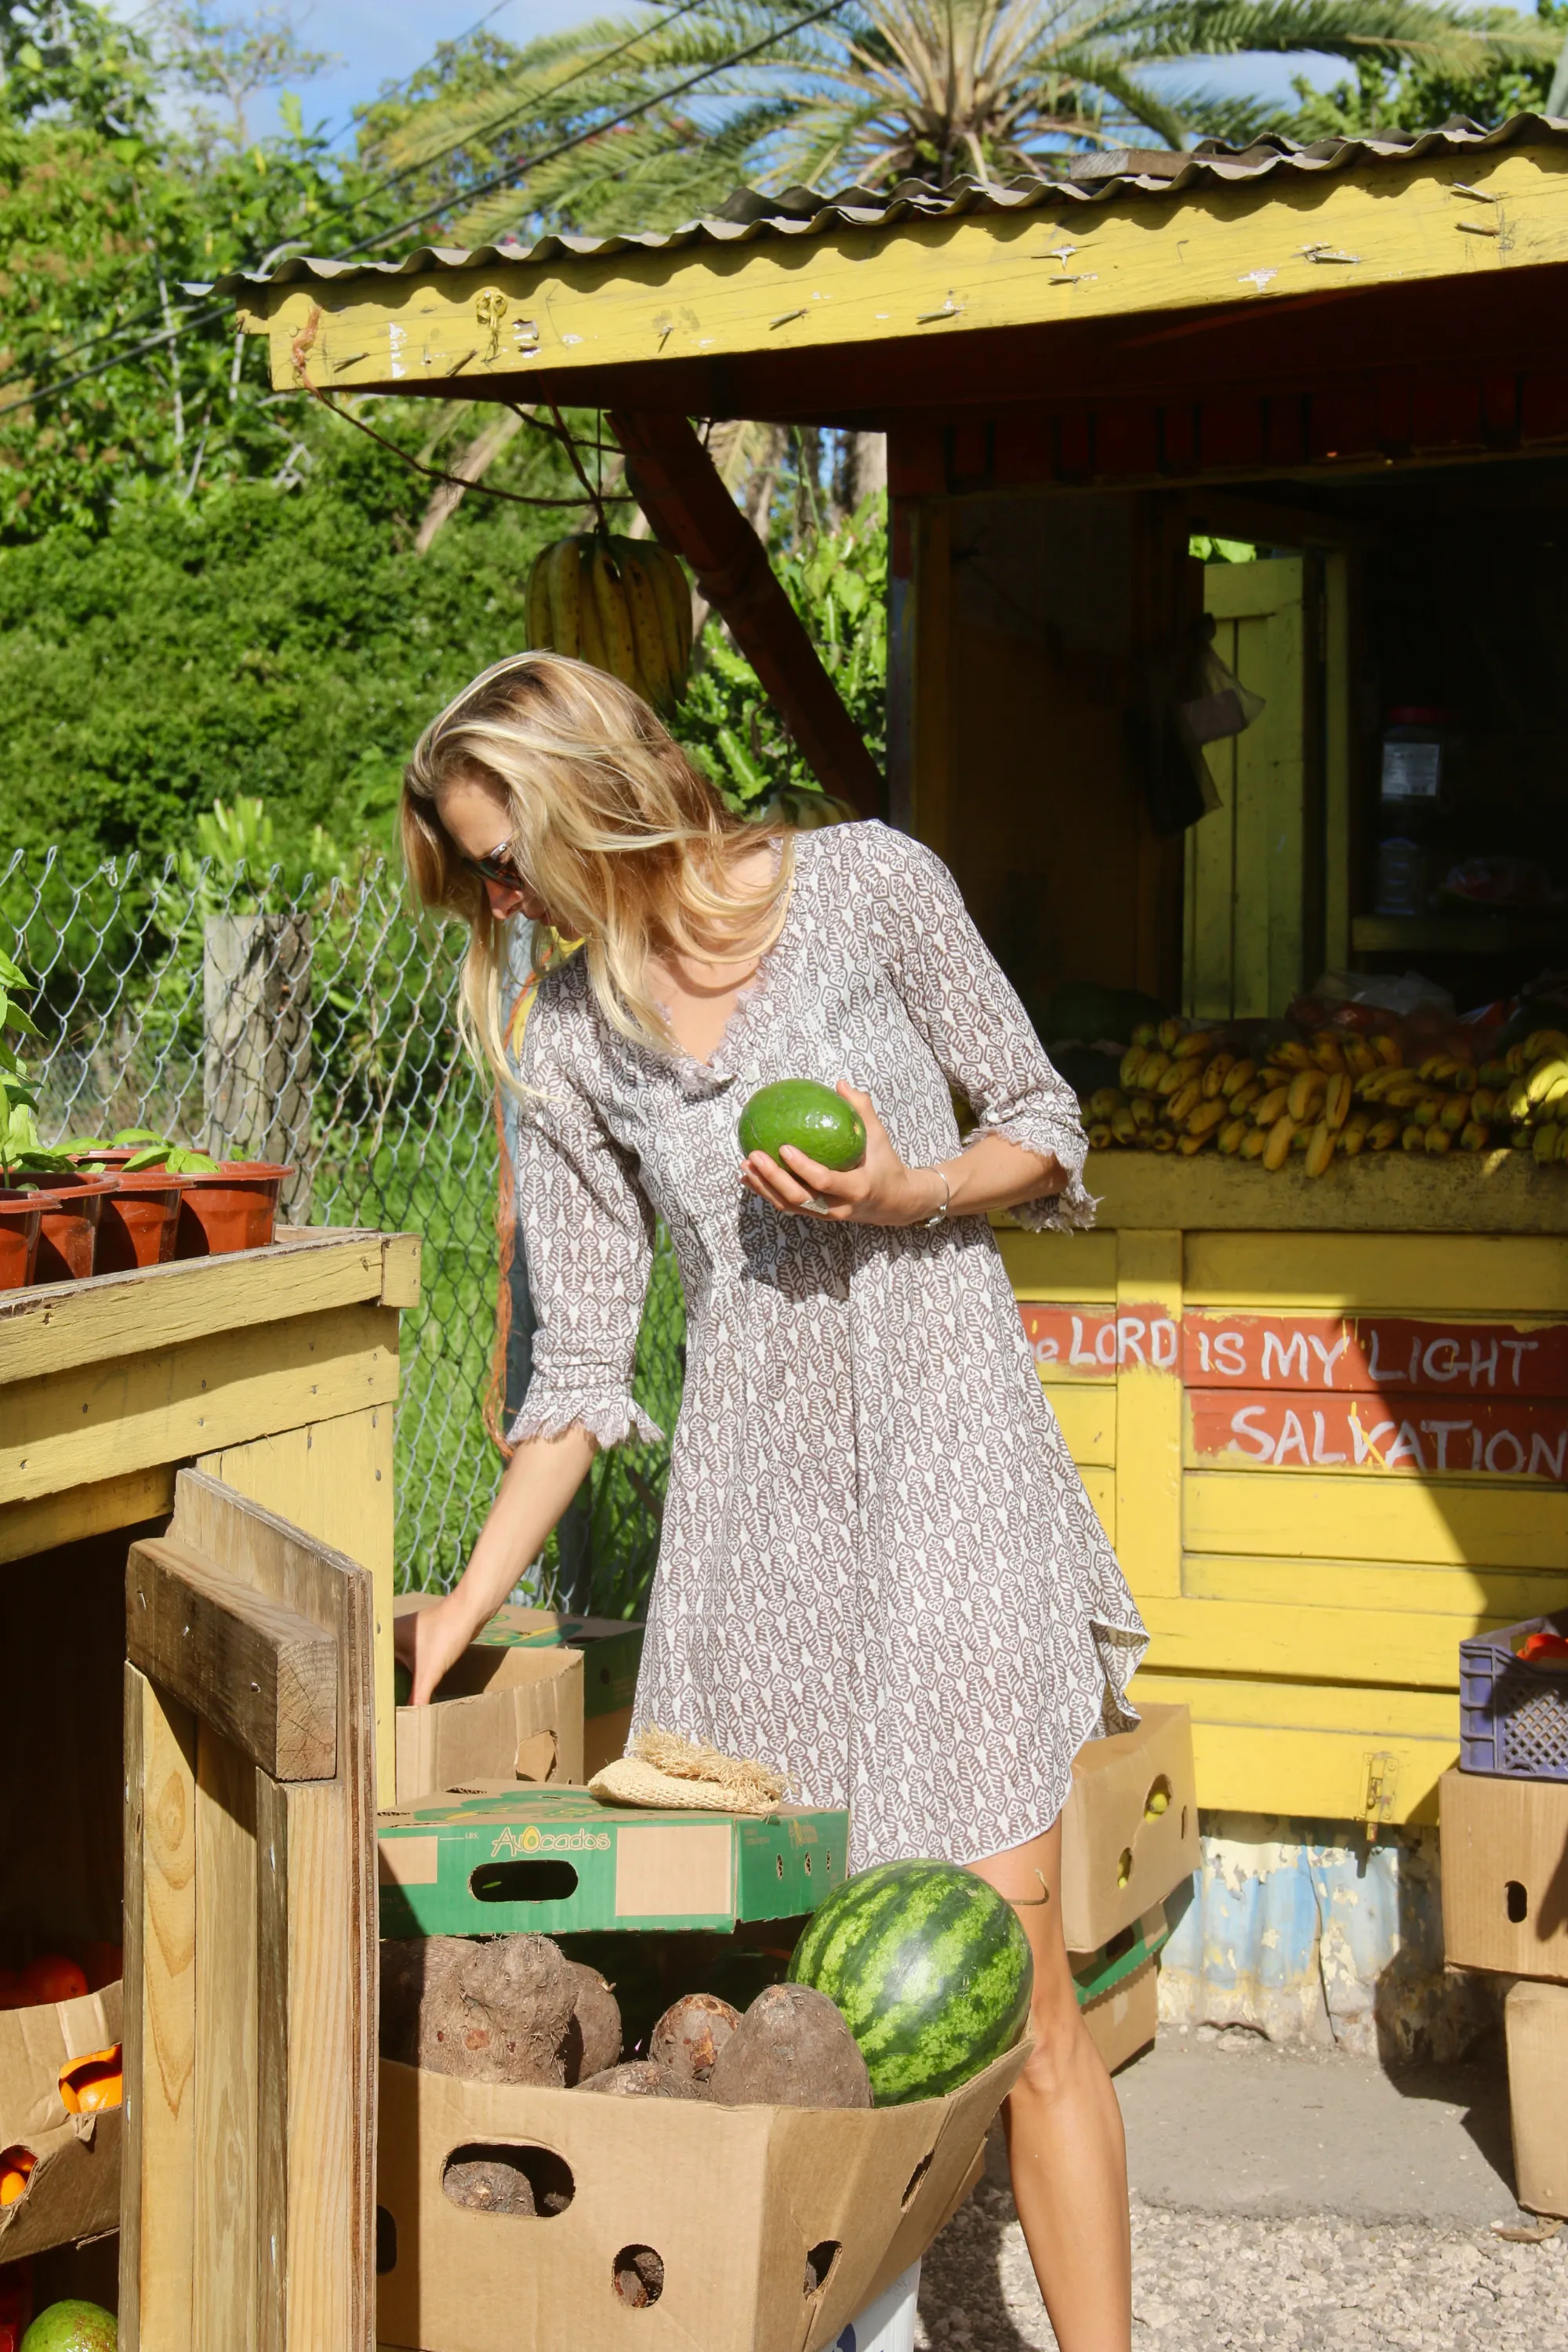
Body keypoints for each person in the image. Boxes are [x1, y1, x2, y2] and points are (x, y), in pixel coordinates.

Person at [394, 649, 1147, 2352]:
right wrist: (462, 1600)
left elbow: (1043, 1123)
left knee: (1018, 1990)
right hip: (756, 1540)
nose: (501, 900)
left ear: (592, 790)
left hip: (946, 1470)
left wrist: (906, 1189)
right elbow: (581, 1371)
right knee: (804, 2001)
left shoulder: (873, 883)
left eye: (504, 856)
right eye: (479, 875)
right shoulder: (572, 1039)